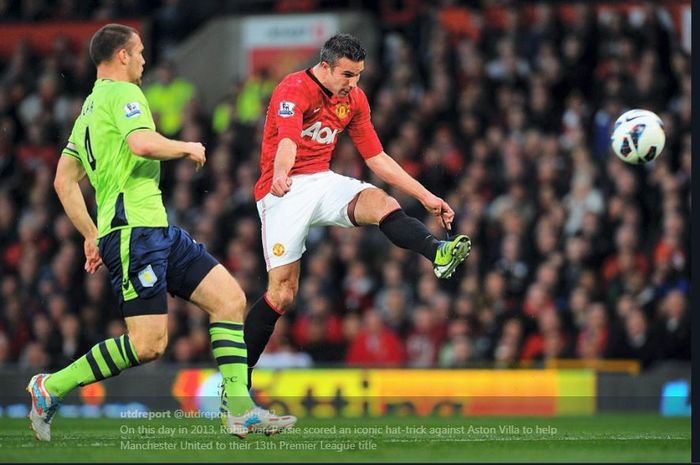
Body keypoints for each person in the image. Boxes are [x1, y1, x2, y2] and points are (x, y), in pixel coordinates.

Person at [25, 23, 295, 441]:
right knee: (148, 344)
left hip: (154, 229)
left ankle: (240, 410)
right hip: (135, 233)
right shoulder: (124, 94)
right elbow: (142, 144)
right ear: (121, 56)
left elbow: (64, 180)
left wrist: (91, 233)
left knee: (230, 299)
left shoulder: (89, 110)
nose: (144, 60)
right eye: (140, 52)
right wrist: (187, 146)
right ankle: (51, 386)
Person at [244, 33, 471, 388]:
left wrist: (426, 196)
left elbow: (376, 157)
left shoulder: (355, 100)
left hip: (321, 179)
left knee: (384, 203)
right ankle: (236, 379)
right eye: (347, 75)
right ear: (325, 67)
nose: (354, 83)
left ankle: (438, 252)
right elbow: (287, 140)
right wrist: (280, 174)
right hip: (283, 191)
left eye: (359, 75)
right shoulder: (293, 89)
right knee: (282, 294)